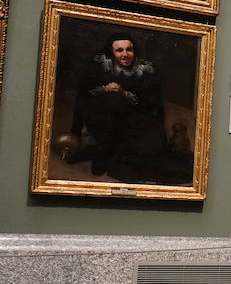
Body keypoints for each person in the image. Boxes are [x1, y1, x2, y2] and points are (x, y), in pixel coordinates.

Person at [68, 31, 181, 183]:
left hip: (135, 115)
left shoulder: (145, 69)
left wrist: (125, 93)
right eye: (119, 50)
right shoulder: (99, 66)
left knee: (152, 148)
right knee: (111, 105)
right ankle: (103, 152)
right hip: (104, 114)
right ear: (111, 51)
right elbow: (83, 96)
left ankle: (110, 151)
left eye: (129, 49)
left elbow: (153, 103)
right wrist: (103, 89)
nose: (125, 54)